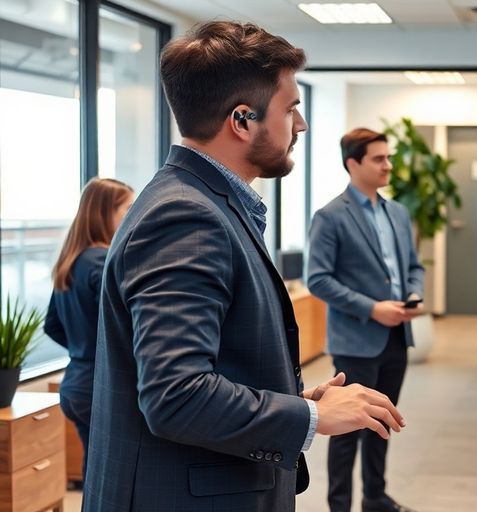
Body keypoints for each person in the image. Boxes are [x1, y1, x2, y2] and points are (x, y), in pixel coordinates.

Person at [84, 22, 404, 511]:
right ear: (242, 119)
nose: (301, 125)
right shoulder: (185, 216)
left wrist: (298, 399)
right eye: (291, 107)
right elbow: (177, 395)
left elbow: (213, 360)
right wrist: (309, 418)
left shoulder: (206, 204)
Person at [308, 127, 426, 512]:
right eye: (379, 159)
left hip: (396, 338)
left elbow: (413, 266)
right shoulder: (330, 217)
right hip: (357, 341)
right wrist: (372, 308)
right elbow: (318, 279)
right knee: (347, 430)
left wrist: (412, 293)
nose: (387, 165)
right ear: (352, 163)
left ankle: (375, 497)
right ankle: (339, 505)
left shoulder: (398, 212)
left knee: (383, 421)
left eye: (388, 157)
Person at [44, 177, 134, 484]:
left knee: (96, 471)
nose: (133, 216)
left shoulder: (71, 262)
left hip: (75, 385)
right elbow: (120, 328)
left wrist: (83, 347)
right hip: (102, 386)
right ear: (105, 213)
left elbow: (52, 325)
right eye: (127, 209)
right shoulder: (104, 262)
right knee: (116, 478)